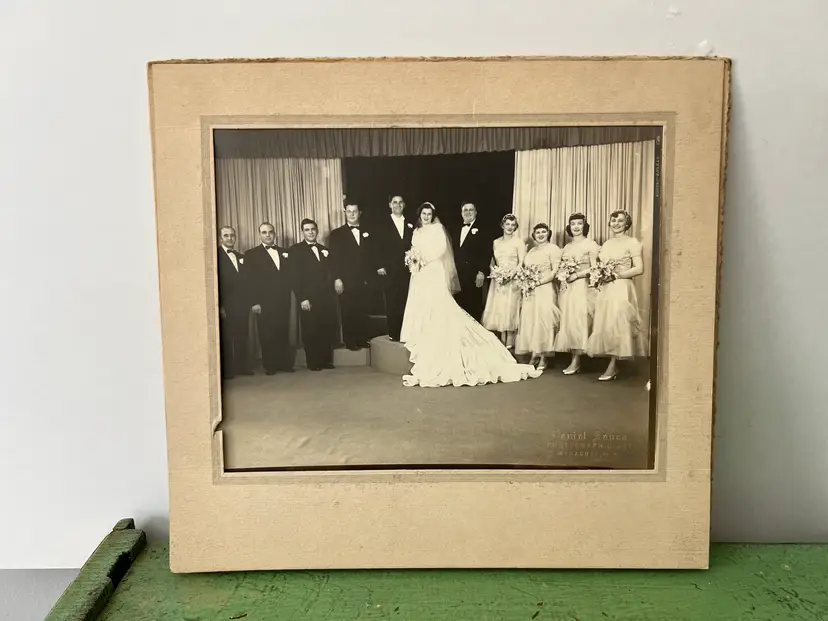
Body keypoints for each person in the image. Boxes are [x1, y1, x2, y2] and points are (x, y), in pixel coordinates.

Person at [399, 202, 543, 388]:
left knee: (438, 302)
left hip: (433, 269)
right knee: (420, 301)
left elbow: (442, 249)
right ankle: (418, 329)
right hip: (420, 272)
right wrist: (414, 260)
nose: (426, 216)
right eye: (423, 214)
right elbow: (414, 248)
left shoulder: (438, 229)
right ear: (420, 215)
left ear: (432, 215)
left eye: (429, 213)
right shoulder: (417, 231)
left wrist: (425, 260)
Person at [585, 210, 647, 381]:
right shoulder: (606, 244)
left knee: (618, 322)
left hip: (621, 286)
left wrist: (616, 275)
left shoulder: (632, 242)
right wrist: (601, 276)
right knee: (607, 322)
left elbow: (639, 269)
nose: (616, 224)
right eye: (613, 221)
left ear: (626, 224)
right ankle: (611, 362)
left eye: (620, 221)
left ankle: (613, 365)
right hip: (606, 287)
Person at [244, 222, 295, 374]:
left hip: (283, 299)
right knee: (267, 333)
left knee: (282, 331)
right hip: (263, 301)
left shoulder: (284, 252)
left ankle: (284, 364)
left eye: (270, 232)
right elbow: (249, 280)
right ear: (259, 235)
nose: (268, 235)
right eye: (264, 232)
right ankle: (270, 366)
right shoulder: (251, 254)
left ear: (275, 234)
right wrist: (254, 302)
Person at [553, 213, 600, 375]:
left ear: (584, 226)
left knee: (580, 320)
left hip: (582, 286)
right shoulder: (566, 247)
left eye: (579, 223)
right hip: (568, 288)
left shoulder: (591, 244)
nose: (576, 227)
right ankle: (573, 356)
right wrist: (564, 275)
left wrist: (577, 275)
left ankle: (577, 360)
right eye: (573, 224)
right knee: (569, 320)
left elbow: (595, 268)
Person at [289, 219, 338, 371]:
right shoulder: (296, 250)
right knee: (311, 329)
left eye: (312, 229)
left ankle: (325, 360)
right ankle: (313, 362)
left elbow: (329, 272)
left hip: (325, 297)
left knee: (325, 327)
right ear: (302, 232)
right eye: (307, 230)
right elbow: (295, 277)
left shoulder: (324, 249)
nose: (310, 232)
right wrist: (302, 298)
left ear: (316, 231)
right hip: (308, 297)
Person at [514, 223, 562, 371]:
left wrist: (538, 282)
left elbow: (554, 271)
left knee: (544, 321)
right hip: (531, 290)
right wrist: (526, 282)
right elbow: (526, 269)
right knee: (531, 320)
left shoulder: (553, 249)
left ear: (548, 233)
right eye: (538, 232)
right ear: (534, 235)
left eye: (544, 232)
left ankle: (543, 356)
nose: (541, 234)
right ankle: (535, 352)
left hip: (545, 288)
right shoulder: (532, 251)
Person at [328, 201, 376, 350]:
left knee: (363, 309)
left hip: (364, 280)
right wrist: (337, 278)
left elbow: (372, 256)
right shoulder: (337, 234)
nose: (352, 214)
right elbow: (334, 259)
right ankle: (350, 341)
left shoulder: (368, 231)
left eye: (355, 211)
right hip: (346, 280)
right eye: (349, 211)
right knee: (348, 310)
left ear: (359, 213)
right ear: (345, 213)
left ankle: (362, 339)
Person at [481, 214, 526, 350]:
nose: (510, 227)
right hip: (499, 280)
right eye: (507, 224)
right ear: (502, 225)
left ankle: (510, 340)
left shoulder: (519, 242)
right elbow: (492, 261)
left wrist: (511, 275)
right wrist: (495, 273)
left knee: (510, 307)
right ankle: (502, 339)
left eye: (513, 225)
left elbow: (521, 262)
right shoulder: (496, 242)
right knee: (499, 307)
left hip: (513, 279)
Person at [374, 195, 415, 341]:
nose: (397, 205)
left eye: (400, 202)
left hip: (407, 269)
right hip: (389, 269)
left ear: (404, 205)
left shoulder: (410, 223)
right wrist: (379, 265)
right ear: (390, 204)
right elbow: (376, 245)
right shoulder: (382, 223)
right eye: (395, 202)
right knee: (392, 301)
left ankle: (406, 332)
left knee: (406, 300)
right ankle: (394, 332)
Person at [216, 226, 253, 379]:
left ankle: (241, 366)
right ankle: (228, 369)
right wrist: (220, 305)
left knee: (242, 335)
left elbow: (247, 280)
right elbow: (216, 283)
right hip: (227, 304)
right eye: (226, 235)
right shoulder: (215, 256)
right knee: (227, 337)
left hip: (242, 303)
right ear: (220, 238)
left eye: (232, 235)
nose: (229, 238)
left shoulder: (240, 255)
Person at [451, 202, 491, 322]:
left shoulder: (484, 229)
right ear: (461, 213)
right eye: (465, 210)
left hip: (474, 275)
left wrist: (482, 272)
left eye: (471, 210)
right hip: (457, 274)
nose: (468, 212)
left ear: (475, 212)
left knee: (473, 306)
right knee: (458, 306)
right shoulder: (456, 229)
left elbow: (487, 252)